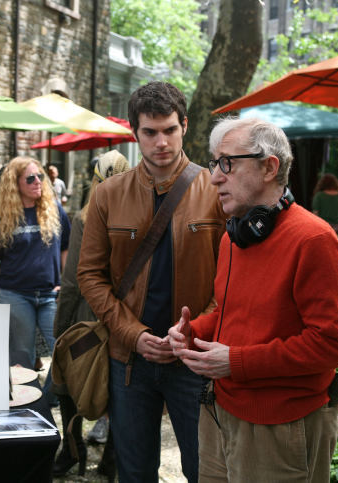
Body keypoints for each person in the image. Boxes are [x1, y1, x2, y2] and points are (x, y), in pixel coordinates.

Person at [169, 117, 338, 482]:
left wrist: (235, 362)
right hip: (220, 414)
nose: (215, 177)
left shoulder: (313, 239)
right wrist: (192, 332)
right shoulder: (234, 237)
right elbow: (233, 313)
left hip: (281, 428)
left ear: (269, 167)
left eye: (227, 163)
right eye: (213, 163)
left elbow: (332, 344)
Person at [77, 81, 227, 482]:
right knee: (135, 473)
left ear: (184, 126)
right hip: (131, 361)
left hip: (194, 357)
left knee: (205, 470)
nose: (161, 141)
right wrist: (132, 334)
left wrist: (194, 330)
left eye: (170, 130)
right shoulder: (108, 194)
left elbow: (233, 276)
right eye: (150, 132)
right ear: (135, 132)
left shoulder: (215, 190)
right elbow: (90, 275)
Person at [52, 149, 129, 479]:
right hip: (126, 320)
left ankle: (74, 450)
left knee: (70, 385)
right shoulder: (140, 219)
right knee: (118, 392)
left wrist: (60, 327)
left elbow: (72, 281)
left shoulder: (85, 219)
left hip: (87, 318)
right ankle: (111, 460)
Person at [0, 156, 70, 378]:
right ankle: (27, 407)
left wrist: (68, 285)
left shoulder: (55, 210)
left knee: (64, 350)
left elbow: (66, 251)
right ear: (15, 183)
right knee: (22, 358)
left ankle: (50, 398)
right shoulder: (2, 216)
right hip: (16, 295)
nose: (38, 181)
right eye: (30, 178)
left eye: (40, 176)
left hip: (51, 295)